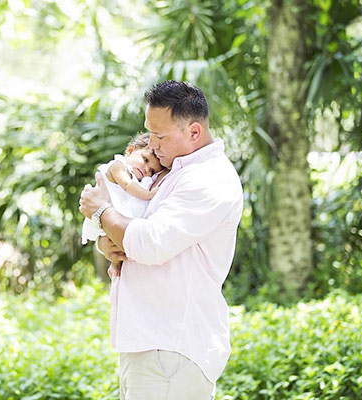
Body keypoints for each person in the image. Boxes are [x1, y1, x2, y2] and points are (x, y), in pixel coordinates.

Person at [79, 80, 243, 400]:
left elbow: (151, 244)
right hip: (151, 344)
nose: (150, 145)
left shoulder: (208, 178)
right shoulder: (171, 172)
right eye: (149, 132)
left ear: (194, 132)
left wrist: (101, 212)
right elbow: (133, 232)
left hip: (171, 348)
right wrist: (108, 241)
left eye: (160, 135)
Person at [81, 132, 165, 279]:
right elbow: (127, 185)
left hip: (116, 216)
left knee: (117, 245)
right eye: (145, 160)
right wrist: (149, 195)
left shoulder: (142, 180)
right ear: (131, 150)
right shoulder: (118, 166)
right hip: (107, 211)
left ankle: (115, 263)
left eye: (151, 170)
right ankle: (114, 262)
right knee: (111, 240)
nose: (146, 169)